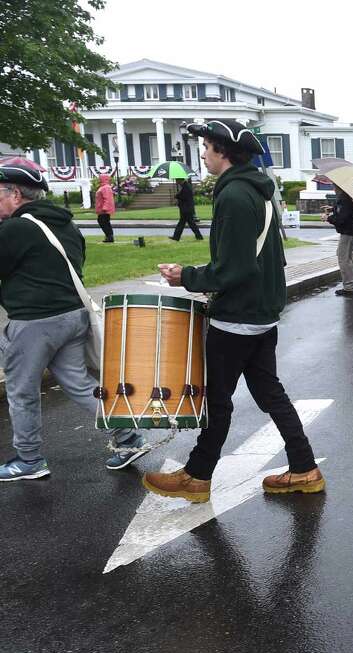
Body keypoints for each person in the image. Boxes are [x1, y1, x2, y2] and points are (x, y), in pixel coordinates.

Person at [145, 119, 324, 503]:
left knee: (219, 400)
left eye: (206, 147)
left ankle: (197, 476)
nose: (203, 154)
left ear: (223, 151)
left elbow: (235, 268)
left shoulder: (234, 196)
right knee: (269, 392)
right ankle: (304, 467)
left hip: (238, 317)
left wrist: (186, 276)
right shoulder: (256, 190)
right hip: (259, 313)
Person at [0, 158, 147, 481]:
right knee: (80, 385)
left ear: (15, 194)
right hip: (73, 316)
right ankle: (128, 437)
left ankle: (29, 459)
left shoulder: (15, 229)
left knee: (21, 391)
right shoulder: (64, 224)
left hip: (35, 322)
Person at [325, 188, 353, 296]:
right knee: (343, 254)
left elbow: (342, 218)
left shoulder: (345, 197)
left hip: (348, 232)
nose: (333, 187)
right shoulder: (350, 195)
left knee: (343, 259)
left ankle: (349, 286)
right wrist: (333, 209)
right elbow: (346, 211)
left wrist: (328, 218)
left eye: (334, 185)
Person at [169, 177, 204, 241]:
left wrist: (177, 195)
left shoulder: (186, 187)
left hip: (186, 209)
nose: (176, 182)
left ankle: (199, 236)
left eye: (177, 181)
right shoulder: (185, 186)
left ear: (180, 180)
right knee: (183, 223)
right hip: (186, 209)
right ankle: (176, 237)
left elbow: (184, 197)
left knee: (190, 224)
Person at [94, 173, 115, 243]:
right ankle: (109, 236)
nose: (99, 179)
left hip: (104, 210)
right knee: (104, 222)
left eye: (100, 178)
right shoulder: (103, 187)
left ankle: (109, 237)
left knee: (103, 222)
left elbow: (107, 198)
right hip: (101, 209)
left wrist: (105, 207)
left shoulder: (106, 187)